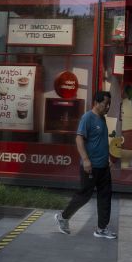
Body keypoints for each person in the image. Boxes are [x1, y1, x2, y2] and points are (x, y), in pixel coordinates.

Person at [55, 91, 116, 239]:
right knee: (84, 196)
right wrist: (86, 160)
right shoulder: (87, 117)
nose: (107, 107)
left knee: (105, 197)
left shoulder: (102, 119)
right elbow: (79, 139)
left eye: (109, 104)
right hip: (91, 166)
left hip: (103, 167)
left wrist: (108, 157)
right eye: (105, 104)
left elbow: (100, 141)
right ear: (96, 102)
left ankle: (102, 228)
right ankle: (63, 217)